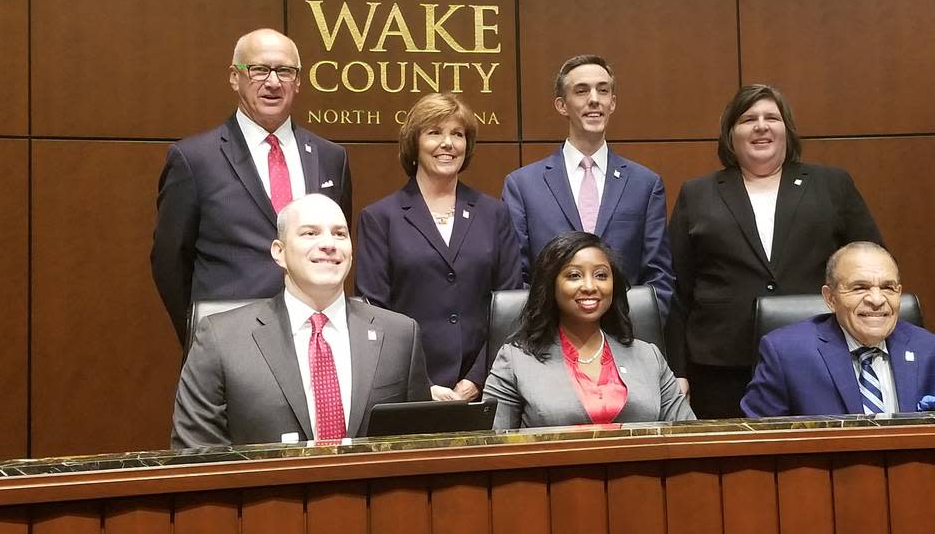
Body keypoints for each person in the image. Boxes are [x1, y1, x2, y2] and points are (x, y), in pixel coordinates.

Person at [666, 84, 883, 419]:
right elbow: (678, 291)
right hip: (720, 366)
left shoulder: (832, 185)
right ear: (731, 134)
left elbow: (872, 264)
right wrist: (676, 370)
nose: (761, 126)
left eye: (772, 117)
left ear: (787, 130)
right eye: (748, 119)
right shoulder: (698, 194)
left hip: (817, 356)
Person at [171, 194, 429, 449]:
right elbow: (196, 457)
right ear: (279, 252)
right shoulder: (221, 339)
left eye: (340, 234)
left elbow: (422, 447)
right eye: (310, 233)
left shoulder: (400, 335)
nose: (329, 244)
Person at [151, 28, 352, 346]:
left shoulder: (331, 158)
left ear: (298, 81)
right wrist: (202, 335)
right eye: (259, 69)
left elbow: (335, 247)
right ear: (235, 77)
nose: (273, 82)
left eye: (284, 71)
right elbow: (169, 262)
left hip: (313, 341)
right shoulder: (194, 159)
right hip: (229, 342)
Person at [355, 94, 523, 401]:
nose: (447, 143)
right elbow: (374, 315)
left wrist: (477, 379)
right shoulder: (380, 218)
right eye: (434, 132)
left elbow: (509, 308)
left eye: (457, 134)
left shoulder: (494, 214)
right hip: (407, 390)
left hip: (488, 389)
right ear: (414, 143)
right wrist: (421, 383)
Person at [502, 55, 673, 316]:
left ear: (612, 103)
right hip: (548, 343)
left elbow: (658, 279)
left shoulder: (645, 184)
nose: (594, 99)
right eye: (581, 91)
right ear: (561, 105)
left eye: (603, 90)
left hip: (625, 342)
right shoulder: (523, 185)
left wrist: (631, 334)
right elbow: (518, 277)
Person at [741, 242, 935, 417]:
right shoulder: (786, 354)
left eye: (888, 287)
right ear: (830, 298)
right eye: (859, 288)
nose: (877, 299)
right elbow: (756, 443)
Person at [483, 232, 695, 430]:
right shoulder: (515, 361)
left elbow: (690, 437)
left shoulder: (649, 356)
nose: (590, 286)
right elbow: (489, 448)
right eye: (574, 276)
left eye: (601, 275)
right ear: (551, 285)